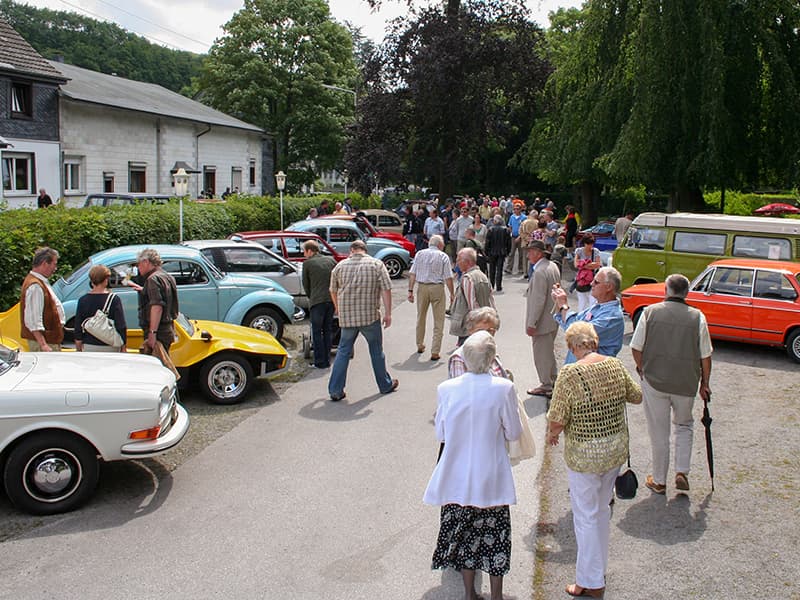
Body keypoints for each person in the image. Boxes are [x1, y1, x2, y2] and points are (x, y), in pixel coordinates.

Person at [424, 330, 522, 600]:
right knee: (496, 535)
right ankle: (497, 595)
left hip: (456, 474)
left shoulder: (446, 389)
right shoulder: (503, 388)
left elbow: (440, 434)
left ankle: (469, 592)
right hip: (491, 474)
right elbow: (514, 432)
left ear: (465, 357)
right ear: (492, 359)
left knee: (465, 537)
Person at [547, 322, 642, 598]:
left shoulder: (570, 373)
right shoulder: (613, 365)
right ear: (595, 342)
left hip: (585, 455)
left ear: (572, 346)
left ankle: (590, 581)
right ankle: (596, 571)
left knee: (585, 516)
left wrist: (553, 434)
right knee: (601, 512)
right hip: (613, 451)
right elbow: (635, 396)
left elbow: (557, 416)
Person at [630, 273, 713, 495]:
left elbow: (636, 347)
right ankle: (681, 471)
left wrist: (643, 369)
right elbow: (706, 355)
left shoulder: (650, 312)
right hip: (686, 381)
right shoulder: (698, 317)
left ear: (666, 290)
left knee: (659, 432)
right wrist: (705, 383)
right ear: (687, 292)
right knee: (684, 425)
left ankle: (659, 480)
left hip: (655, 380)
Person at [328, 239, 398, 402]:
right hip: (369, 316)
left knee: (343, 351)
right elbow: (386, 289)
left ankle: (335, 390)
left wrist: (337, 307)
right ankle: (385, 385)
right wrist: (388, 313)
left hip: (348, 318)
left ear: (352, 250)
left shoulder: (339, 266)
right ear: (365, 250)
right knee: (376, 351)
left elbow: (332, 290)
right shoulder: (376, 264)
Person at [552, 266, 625, 364]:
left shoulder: (612, 316)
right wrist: (558, 302)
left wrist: (564, 306)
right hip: (580, 372)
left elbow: (576, 333)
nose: (591, 284)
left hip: (592, 375)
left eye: (596, 282)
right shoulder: (596, 307)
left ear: (609, 287)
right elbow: (570, 323)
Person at [407, 235, 454, 361]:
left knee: (420, 317)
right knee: (439, 320)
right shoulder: (443, 256)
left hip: (422, 287)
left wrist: (410, 290)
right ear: (439, 245)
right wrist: (452, 293)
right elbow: (448, 277)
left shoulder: (420, 254)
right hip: (437, 288)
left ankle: (419, 344)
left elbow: (413, 273)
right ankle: (435, 350)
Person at [524, 240, 561, 398]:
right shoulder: (552, 266)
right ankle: (552, 381)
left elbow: (538, 300)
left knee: (541, 354)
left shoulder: (539, 272)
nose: (528, 255)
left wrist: (532, 323)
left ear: (538, 253)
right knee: (548, 353)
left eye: (530, 251)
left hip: (542, 321)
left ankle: (546, 385)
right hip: (552, 318)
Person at [20, 247, 65, 352]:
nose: (55, 268)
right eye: (54, 264)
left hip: (49, 340)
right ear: (45, 263)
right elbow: (33, 320)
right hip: (45, 342)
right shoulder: (35, 286)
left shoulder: (39, 282)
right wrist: (43, 345)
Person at [75, 264, 127, 352]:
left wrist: (79, 347)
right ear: (105, 280)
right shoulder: (114, 299)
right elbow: (120, 325)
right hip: (110, 344)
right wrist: (124, 346)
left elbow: (78, 326)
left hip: (89, 344)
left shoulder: (83, 300)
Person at [136, 248, 179, 353]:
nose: (138, 267)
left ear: (146, 262)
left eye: (139, 264)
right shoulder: (167, 276)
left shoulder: (152, 279)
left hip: (159, 330)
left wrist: (152, 333)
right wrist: (144, 290)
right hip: (168, 328)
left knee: (156, 365)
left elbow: (157, 307)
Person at [302, 239, 337, 369]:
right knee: (327, 330)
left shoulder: (308, 264)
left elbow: (306, 285)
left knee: (316, 331)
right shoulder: (331, 260)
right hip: (331, 300)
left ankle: (319, 361)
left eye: (304, 251)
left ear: (310, 251)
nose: (304, 254)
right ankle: (327, 359)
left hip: (317, 301)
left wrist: (311, 298)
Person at [450, 248, 494, 346]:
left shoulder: (468, 278)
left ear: (467, 262)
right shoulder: (483, 276)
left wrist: (476, 328)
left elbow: (472, 306)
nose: (457, 264)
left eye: (458, 260)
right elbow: (491, 300)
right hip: (482, 325)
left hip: (471, 328)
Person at [573, 236, 602, 312]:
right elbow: (576, 265)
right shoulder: (579, 251)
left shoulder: (595, 251)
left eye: (592, 244)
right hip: (581, 280)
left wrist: (583, 265)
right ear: (584, 243)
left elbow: (598, 264)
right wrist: (590, 265)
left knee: (593, 302)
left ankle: (590, 318)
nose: (590, 246)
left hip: (593, 280)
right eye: (588, 244)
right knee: (582, 303)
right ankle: (582, 319)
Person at [484, 214, 512, 292]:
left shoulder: (490, 229)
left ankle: (492, 285)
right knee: (499, 269)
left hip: (492, 252)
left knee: (492, 269)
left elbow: (487, 242)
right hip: (502, 252)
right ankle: (498, 286)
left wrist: (486, 252)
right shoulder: (506, 230)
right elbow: (508, 243)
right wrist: (508, 251)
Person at [504, 203, 526, 275]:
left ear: (520, 209)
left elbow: (524, 229)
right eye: (515, 209)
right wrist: (510, 233)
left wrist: (520, 237)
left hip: (521, 237)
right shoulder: (512, 217)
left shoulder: (524, 217)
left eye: (517, 209)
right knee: (511, 253)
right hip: (513, 237)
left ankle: (521, 268)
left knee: (521, 253)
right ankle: (509, 268)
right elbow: (510, 226)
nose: (516, 210)